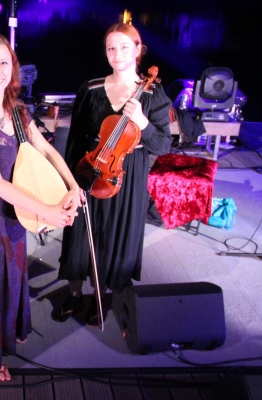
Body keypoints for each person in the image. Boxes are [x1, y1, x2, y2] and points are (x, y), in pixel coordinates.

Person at [0, 33, 81, 382]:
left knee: (14, 274)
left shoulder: (19, 111)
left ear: (14, 68)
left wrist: (73, 186)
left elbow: (47, 150)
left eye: (4, 62)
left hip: (17, 213)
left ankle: (10, 329)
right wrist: (49, 211)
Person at [56, 23, 172, 325]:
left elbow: (163, 144)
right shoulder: (91, 88)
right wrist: (70, 180)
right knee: (80, 232)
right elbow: (77, 137)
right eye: (111, 48)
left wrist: (143, 122)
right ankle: (74, 293)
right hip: (90, 165)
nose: (117, 54)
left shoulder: (153, 94)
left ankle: (103, 294)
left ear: (138, 50)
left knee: (117, 232)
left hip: (127, 172)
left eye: (124, 47)